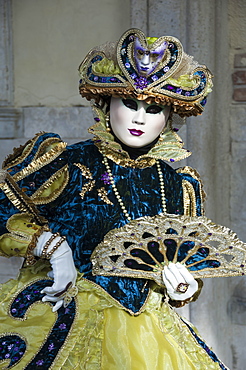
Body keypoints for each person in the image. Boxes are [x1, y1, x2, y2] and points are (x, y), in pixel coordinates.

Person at [0, 28, 237, 369]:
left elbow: (184, 262)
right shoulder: (70, 163)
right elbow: (3, 214)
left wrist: (183, 286)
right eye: (129, 103)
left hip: (150, 332)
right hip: (63, 314)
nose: (140, 117)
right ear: (106, 103)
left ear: (170, 117)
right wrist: (53, 249)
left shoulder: (177, 185)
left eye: (153, 108)